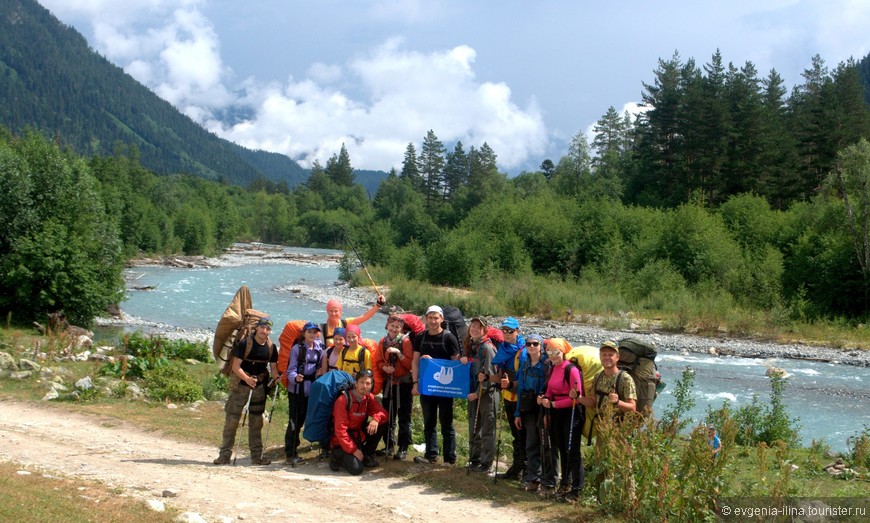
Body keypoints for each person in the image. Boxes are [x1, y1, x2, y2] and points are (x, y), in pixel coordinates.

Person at [214, 316, 279, 465]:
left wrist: (277, 377)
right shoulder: (245, 344)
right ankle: (224, 456)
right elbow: (236, 367)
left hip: (259, 388)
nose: (265, 331)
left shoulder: (271, 348)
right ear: (257, 328)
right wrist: (247, 379)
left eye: (268, 328)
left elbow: (274, 369)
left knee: (256, 423)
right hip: (241, 387)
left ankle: (257, 457)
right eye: (262, 327)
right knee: (232, 420)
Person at [411, 305, 461, 465]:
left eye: (436, 318)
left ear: (442, 319)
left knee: (446, 423)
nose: (433, 321)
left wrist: (433, 362)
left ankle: (449, 458)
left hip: (445, 389)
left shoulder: (449, 338)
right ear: (426, 318)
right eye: (430, 317)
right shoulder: (420, 337)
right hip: (427, 387)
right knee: (429, 422)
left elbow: (457, 364)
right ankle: (431, 455)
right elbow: (415, 361)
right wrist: (414, 383)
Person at [540, 338, 585, 503]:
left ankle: (577, 489)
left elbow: (577, 397)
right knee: (561, 448)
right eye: (549, 352)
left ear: (563, 352)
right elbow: (550, 388)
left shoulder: (571, 370)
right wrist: (546, 398)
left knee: (573, 451)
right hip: (557, 412)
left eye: (556, 352)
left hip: (571, 412)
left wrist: (553, 403)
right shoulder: (552, 368)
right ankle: (565, 483)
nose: (552, 355)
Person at [513, 333, 554, 494]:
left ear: (541, 347)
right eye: (529, 344)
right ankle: (533, 479)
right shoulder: (524, 365)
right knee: (531, 444)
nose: (531, 347)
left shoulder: (546, 366)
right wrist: (517, 413)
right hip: (528, 408)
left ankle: (547, 481)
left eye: (535, 344)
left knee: (545, 444)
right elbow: (521, 389)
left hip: (543, 408)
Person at [328, 369, 389, 475]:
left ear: (371, 385)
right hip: (340, 442)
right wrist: (353, 450)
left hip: (357, 436)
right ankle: (335, 458)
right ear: (355, 383)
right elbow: (340, 431)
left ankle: (367, 454)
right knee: (357, 469)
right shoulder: (343, 400)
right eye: (361, 382)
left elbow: (383, 413)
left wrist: (376, 419)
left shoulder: (368, 398)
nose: (364, 386)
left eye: (368, 383)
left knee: (382, 423)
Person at [372, 314, 414, 460]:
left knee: (404, 416)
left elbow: (410, 364)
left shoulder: (406, 341)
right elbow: (377, 360)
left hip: (403, 384)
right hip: (389, 383)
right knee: (388, 415)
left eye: (398, 327)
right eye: (392, 326)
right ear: (387, 326)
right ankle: (389, 445)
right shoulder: (383, 341)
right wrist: (384, 367)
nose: (394, 329)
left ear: (401, 328)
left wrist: (399, 354)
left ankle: (403, 447)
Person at [463, 316, 500, 474]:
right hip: (473, 393)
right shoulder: (471, 345)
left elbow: (490, 376)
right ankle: (474, 459)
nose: (475, 329)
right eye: (473, 326)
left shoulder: (487, 348)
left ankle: (486, 464)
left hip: (487, 395)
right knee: (474, 427)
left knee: (486, 430)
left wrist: (478, 394)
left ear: (485, 330)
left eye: (479, 327)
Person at [491, 317, 527, 480]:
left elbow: (527, 378)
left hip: (522, 397)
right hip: (508, 395)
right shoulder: (504, 348)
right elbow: (500, 375)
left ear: (517, 331)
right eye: (504, 330)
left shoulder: (524, 351)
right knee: (515, 433)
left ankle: (526, 470)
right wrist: (487, 378)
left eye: (510, 331)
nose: (506, 333)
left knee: (523, 434)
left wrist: (510, 383)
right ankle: (517, 468)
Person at [284, 321, 324, 465]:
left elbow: (321, 365)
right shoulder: (297, 349)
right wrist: (295, 377)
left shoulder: (320, 348)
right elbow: (290, 370)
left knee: (313, 418)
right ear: (304, 333)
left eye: (315, 332)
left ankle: (320, 446)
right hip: (297, 390)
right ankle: (291, 453)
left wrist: (320, 372)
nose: (312, 334)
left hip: (312, 390)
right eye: (309, 332)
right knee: (295, 421)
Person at [583, 340, 637, 418]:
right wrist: (578, 397)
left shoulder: (625, 379)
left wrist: (618, 402)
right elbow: (593, 403)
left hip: (617, 428)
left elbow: (632, 409)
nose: (607, 357)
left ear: (617, 357)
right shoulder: (598, 377)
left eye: (610, 355)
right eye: (604, 354)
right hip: (599, 426)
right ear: (600, 356)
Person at [321, 296, 385, 347]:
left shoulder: (346, 323)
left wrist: (378, 305)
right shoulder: (322, 328)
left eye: (336, 311)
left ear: (340, 312)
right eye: (331, 311)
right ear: (327, 312)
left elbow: (365, 316)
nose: (333, 313)